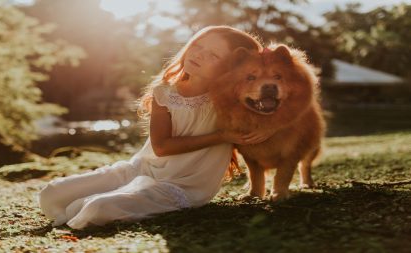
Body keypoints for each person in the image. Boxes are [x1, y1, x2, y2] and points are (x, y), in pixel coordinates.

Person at [37, 25, 270, 230]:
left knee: (98, 208)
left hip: (182, 185)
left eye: (214, 55)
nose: (199, 54)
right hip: (141, 169)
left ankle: (96, 204)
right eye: (198, 45)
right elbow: (161, 147)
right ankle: (94, 200)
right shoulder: (165, 92)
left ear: (232, 69)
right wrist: (221, 136)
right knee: (52, 194)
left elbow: (281, 113)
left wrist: (268, 130)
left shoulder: (234, 99)